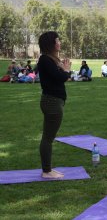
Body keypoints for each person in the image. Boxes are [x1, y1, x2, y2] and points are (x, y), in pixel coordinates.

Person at [37, 31, 72, 179]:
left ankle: (47, 169)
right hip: (52, 103)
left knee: (47, 137)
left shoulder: (51, 60)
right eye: (57, 40)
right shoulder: (45, 60)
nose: (60, 43)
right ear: (51, 43)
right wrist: (66, 70)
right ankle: (47, 171)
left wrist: (64, 70)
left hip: (53, 102)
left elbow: (63, 78)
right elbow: (61, 77)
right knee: (48, 138)